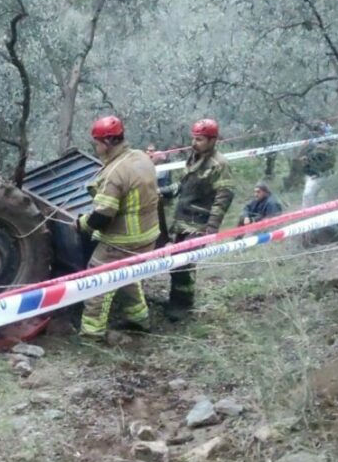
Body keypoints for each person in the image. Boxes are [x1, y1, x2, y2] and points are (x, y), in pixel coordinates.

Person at [76, 116, 161, 343]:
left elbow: (103, 215)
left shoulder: (114, 173)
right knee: (128, 274)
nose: (95, 147)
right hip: (149, 234)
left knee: (98, 279)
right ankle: (139, 319)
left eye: (96, 143)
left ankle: (92, 334)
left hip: (124, 239)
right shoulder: (142, 157)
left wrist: (82, 224)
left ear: (108, 142)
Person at [159, 119, 234, 319]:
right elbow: (182, 186)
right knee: (176, 263)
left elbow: (224, 196)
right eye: (194, 138)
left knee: (184, 264)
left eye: (199, 139)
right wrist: (163, 192)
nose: (194, 142)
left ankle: (183, 307)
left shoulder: (219, 164)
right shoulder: (194, 158)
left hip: (198, 224)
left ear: (212, 140)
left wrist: (211, 228)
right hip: (182, 221)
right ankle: (176, 299)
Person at [299, 123, 337, 208]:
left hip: (321, 174)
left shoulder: (327, 142)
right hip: (311, 173)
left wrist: (317, 173)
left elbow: (326, 162)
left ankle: (309, 214)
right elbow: (302, 156)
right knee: (309, 195)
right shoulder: (310, 142)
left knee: (308, 195)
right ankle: (308, 213)